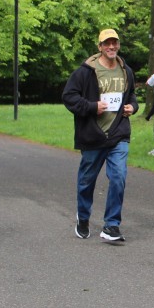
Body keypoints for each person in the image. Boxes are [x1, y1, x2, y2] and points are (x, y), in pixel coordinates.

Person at [62, 28, 139, 244]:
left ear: (118, 45)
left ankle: (111, 225)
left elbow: (132, 95)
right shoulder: (86, 72)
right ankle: (83, 217)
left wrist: (132, 107)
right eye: (107, 43)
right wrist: (92, 106)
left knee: (119, 177)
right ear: (100, 47)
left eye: (115, 43)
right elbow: (69, 97)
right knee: (87, 181)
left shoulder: (126, 71)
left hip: (118, 134)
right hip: (92, 135)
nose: (111, 47)